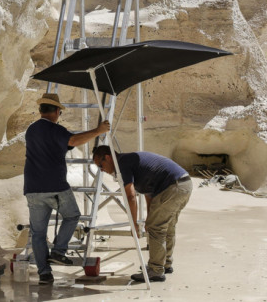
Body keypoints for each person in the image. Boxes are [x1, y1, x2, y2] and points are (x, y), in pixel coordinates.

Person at [24, 93, 110, 284]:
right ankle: (58, 250)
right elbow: (72, 141)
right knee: (72, 216)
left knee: (38, 233)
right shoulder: (55, 130)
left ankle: (44, 274)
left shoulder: (31, 130)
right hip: (55, 186)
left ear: (40, 110)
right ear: (56, 111)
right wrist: (98, 130)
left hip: (32, 188)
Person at [91, 145, 192, 282]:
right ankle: (165, 264)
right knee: (166, 226)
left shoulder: (122, 164)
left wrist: (134, 225)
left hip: (172, 186)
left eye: (100, 165)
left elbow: (131, 196)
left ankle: (156, 270)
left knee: (156, 228)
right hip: (184, 184)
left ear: (108, 158)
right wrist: (149, 217)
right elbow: (149, 193)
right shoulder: (129, 162)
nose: (102, 170)